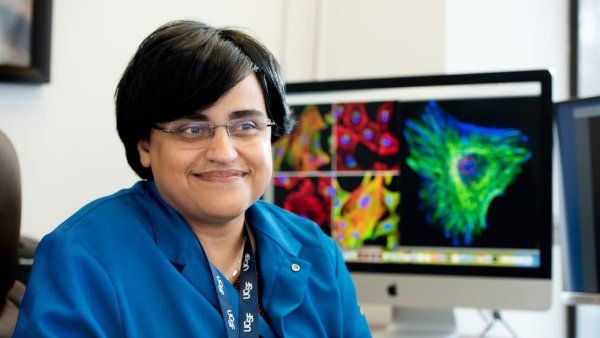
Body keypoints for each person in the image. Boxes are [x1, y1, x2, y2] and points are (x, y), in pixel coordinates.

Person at [13, 20, 371, 337]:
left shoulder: (315, 251)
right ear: (145, 146)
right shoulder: (83, 258)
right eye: (192, 129)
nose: (224, 152)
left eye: (246, 125)